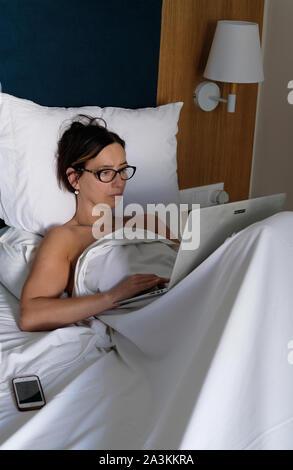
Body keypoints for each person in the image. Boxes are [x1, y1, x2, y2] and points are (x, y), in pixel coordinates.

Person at [19, 115, 178, 332]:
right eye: (106, 173)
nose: (119, 182)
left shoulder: (148, 222)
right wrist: (114, 296)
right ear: (75, 178)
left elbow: (189, 269)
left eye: (122, 170)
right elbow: (31, 316)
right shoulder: (64, 238)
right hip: (151, 324)